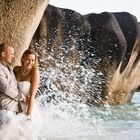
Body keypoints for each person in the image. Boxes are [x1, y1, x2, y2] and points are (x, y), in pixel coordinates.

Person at [0, 42, 26, 126]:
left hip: (12, 110)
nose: (13, 56)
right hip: (5, 110)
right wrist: (21, 97)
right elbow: (5, 88)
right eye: (11, 54)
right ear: (3, 54)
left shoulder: (9, 68)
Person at [13, 49, 40, 119]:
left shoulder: (34, 72)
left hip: (26, 106)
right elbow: (9, 86)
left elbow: (32, 96)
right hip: (13, 102)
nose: (30, 62)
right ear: (23, 59)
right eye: (28, 59)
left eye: (33, 60)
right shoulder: (16, 69)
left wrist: (28, 116)